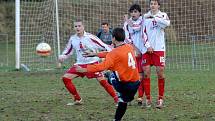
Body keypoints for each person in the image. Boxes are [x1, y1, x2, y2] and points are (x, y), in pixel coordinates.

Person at [75, 28, 140, 121]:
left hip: (124, 85)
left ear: (113, 38)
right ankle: (117, 118)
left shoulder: (114, 53)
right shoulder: (129, 47)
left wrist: (84, 69)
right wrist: (94, 54)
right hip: (136, 83)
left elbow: (102, 66)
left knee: (110, 74)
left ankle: (109, 77)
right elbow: (111, 53)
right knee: (123, 102)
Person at [58, 19, 118, 105]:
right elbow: (68, 51)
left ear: (83, 27)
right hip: (80, 64)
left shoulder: (90, 37)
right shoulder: (73, 39)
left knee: (102, 81)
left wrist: (114, 52)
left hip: (93, 63)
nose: (77, 28)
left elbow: (103, 45)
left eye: (79, 26)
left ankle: (117, 99)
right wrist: (63, 57)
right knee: (65, 78)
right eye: (76, 26)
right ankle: (77, 99)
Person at [142, 0, 170, 108]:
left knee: (160, 73)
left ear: (158, 5)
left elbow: (167, 23)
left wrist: (155, 18)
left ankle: (160, 99)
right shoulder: (145, 17)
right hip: (147, 48)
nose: (152, 5)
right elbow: (143, 32)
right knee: (146, 72)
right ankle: (148, 99)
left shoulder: (163, 15)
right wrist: (147, 45)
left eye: (155, 4)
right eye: (151, 4)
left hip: (159, 49)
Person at [123, 3, 147, 105]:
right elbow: (127, 38)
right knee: (132, 76)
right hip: (133, 52)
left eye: (135, 11)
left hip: (144, 51)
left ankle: (140, 97)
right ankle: (129, 96)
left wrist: (128, 21)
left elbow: (137, 28)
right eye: (132, 12)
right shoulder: (126, 24)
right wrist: (135, 49)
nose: (133, 13)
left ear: (140, 13)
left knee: (142, 75)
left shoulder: (143, 20)